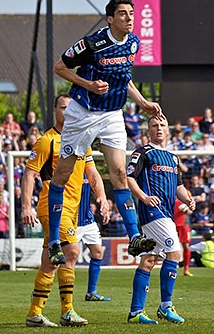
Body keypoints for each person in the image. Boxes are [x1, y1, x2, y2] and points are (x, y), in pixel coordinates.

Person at [46, 0, 161, 265]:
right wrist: (88, 84)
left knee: (120, 172)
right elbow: (59, 67)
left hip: (112, 114)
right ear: (110, 19)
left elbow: (124, 77)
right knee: (62, 175)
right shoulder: (92, 43)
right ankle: (53, 240)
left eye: (131, 13)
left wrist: (142, 102)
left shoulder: (133, 43)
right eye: (123, 14)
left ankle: (134, 237)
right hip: (83, 113)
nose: (129, 18)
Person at [21, 94, 107, 328]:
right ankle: (67, 311)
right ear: (55, 112)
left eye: (71, 109)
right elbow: (29, 173)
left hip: (72, 208)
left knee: (50, 262)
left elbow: (92, 172)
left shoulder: (82, 139)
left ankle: (35, 314)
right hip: (52, 206)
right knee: (71, 252)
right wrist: (25, 205)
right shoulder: (46, 140)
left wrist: (102, 196)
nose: (67, 112)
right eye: (62, 108)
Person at [125, 115, 196, 324]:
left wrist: (189, 199)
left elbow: (178, 187)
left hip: (166, 213)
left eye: (162, 125)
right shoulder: (143, 153)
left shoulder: (173, 158)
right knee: (175, 253)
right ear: (148, 131)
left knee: (148, 261)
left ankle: (135, 312)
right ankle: (165, 307)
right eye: (154, 126)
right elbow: (129, 178)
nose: (158, 128)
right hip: (153, 212)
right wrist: (144, 197)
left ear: (168, 130)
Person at [77, 173, 111, 302]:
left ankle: (91, 292)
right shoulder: (67, 167)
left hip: (87, 219)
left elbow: (98, 187)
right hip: (71, 220)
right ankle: (41, 289)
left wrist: (104, 207)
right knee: (64, 258)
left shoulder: (88, 170)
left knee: (98, 252)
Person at [173, 197, 194, 277]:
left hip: (183, 225)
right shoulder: (169, 194)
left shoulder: (184, 194)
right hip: (172, 224)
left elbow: (190, 211)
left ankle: (186, 269)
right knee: (169, 247)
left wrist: (186, 208)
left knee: (186, 246)